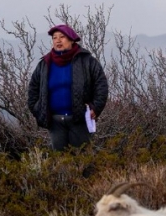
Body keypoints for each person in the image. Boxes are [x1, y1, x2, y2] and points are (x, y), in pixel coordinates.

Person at [28, 24, 108, 152]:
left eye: (62, 37)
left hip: (79, 120)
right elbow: (33, 90)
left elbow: (101, 85)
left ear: (71, 40)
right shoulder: (45, 63)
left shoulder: (87, 61)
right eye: (54, 38)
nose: (58, 41)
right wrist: (38, 110)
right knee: (60, 162)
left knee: (83, 158)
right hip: (55, 122)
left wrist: (95, 108)